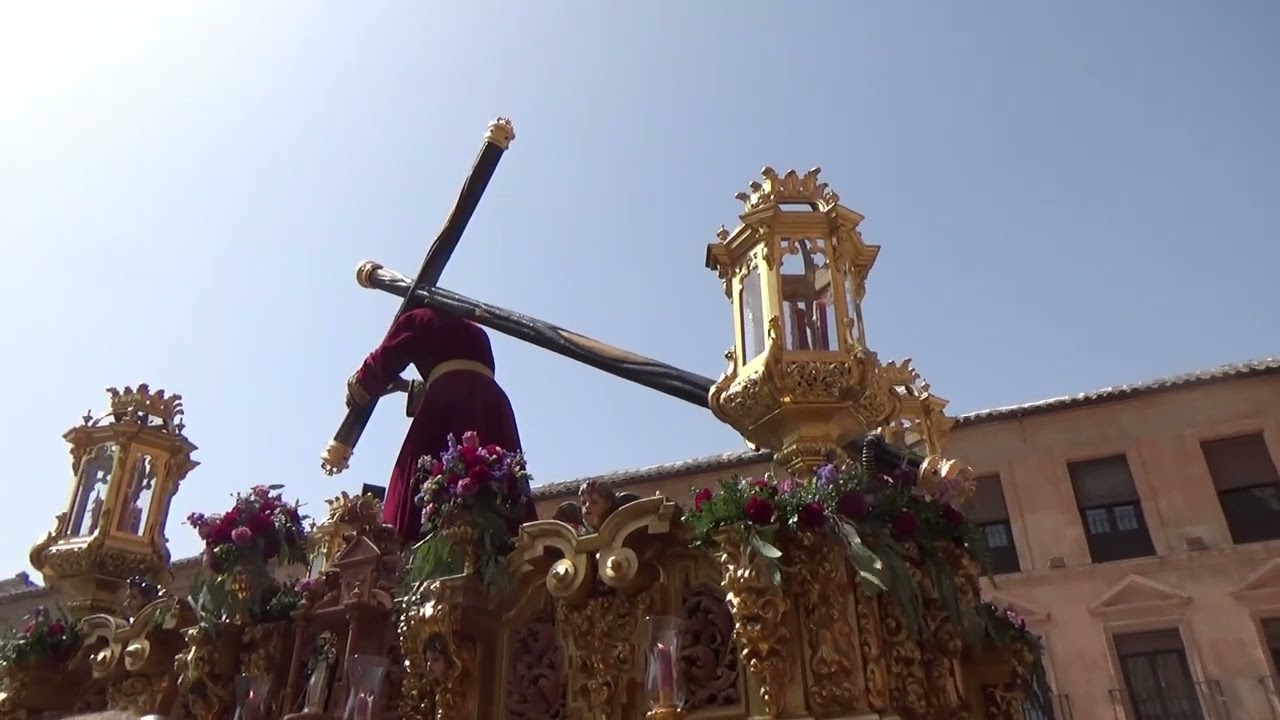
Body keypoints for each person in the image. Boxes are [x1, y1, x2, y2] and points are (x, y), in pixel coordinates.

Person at [346, 307, 532, 543]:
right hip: (493, 408)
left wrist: (358, 386)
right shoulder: (476, 331)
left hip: (447, 406)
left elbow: (380, 365)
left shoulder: (418, 318)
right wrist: (406, 387)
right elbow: (456, 371)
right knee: (502, 482)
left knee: (415, 484)